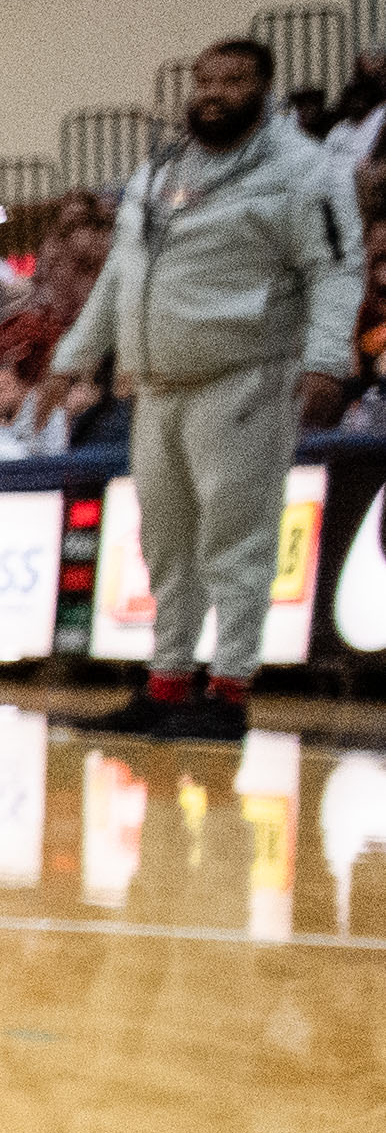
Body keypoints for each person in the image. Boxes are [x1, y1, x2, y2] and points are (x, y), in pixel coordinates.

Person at [57, 37, 362, 745]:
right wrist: (74, 357)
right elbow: (119, 274)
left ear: (264, 89)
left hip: (247, 375)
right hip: (158, 385)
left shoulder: (305, 171)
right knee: (165, 543)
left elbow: (336, 269)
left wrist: (325, 359)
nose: (214, 92)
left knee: (237, 541)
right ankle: (166, 683)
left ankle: (229, 692)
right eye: (204, 80)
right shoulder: (160, 168)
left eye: (232, 80)